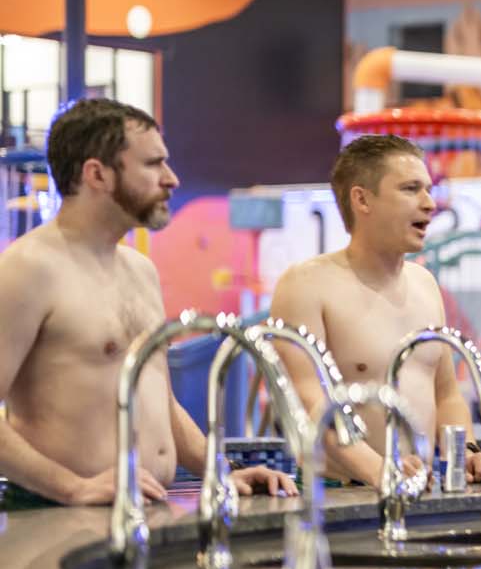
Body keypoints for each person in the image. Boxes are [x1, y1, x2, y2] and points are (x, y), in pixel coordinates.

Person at [0, 99, 294, 506]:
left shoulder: (140, 270)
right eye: (153, 164)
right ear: (97, 174)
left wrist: (221, 470)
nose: (171, 179)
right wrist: (74, 488)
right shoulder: (28, 269)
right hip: (58, 514)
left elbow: (160, 400)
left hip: (146, 504)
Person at [269, 134, 481, 485]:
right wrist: (378, 471)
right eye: (411, 189)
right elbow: (307, 402)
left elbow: (446, 393)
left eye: (428, 189)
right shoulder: (305, 284)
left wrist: (466, 454)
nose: (429, 203)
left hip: (416, 486)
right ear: (362, 199)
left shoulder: (425, 284)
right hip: (337, 495)